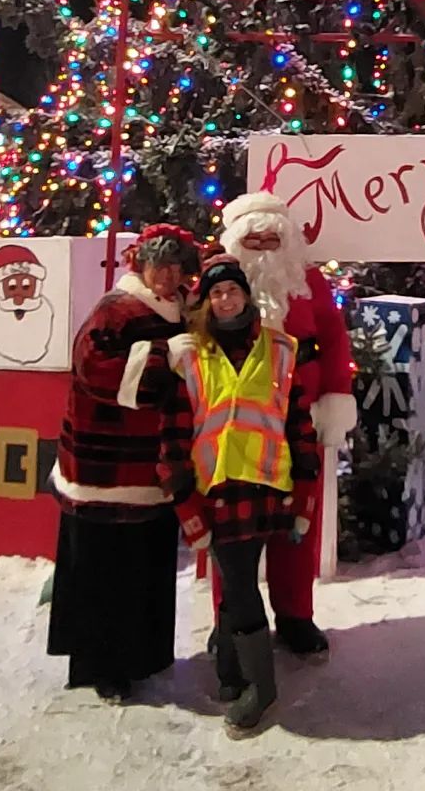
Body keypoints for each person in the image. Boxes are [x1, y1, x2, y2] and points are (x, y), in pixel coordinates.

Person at [160, 256, 320, 736]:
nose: (226, 299)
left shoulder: (282, 349)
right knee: (237, 582)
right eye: (216, 294)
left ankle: (254, 685)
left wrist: (306, 498)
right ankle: (240, 673)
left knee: (239, 583)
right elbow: (171, 437)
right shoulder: (189, 355)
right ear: (206, 303)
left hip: (269, 487)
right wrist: (186, 505)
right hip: (219, 491)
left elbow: (299, 426)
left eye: (232, 291)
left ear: (247, 296)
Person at [47, 224, 201, 702]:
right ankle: (102, 665)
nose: (167, 275)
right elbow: (94, 370)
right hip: (105, 468)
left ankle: (141, 655)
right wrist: (161, 357)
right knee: (103, 571)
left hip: (149, 468)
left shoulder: (180, 312)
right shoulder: (114, 310)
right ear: (141, 265)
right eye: (159, 265)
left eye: (176, 267)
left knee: (144, 569)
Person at [218, 191, 356, 655]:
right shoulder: (219, 284)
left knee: (298, 523)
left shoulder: (309, 281)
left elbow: (334, 340)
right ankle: (231, 619)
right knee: (232, 528)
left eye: (271, 238)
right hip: (233, 426)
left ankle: (296, 614)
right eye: (253, 239)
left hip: (303, 420)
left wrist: (336, 397)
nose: (263, 246)